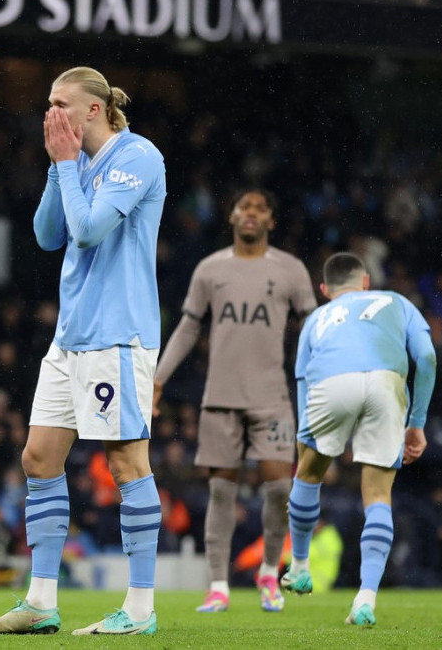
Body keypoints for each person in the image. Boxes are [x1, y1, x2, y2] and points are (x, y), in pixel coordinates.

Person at [0, 67, 166, 636]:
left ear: (94, 110)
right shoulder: (75, 161)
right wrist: (61, 166)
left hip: (117, 335)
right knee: (38, 458)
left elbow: (87, 231)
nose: (50, 113)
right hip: (71, 336)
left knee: (126, 463)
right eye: (48, 103)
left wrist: (63, 165)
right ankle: (40, 602)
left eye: (61, 103)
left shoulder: (137, 156)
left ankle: (140, 608)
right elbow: (47, 234)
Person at [153, 188, 317, 613]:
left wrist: (323, 378)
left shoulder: (291, 270)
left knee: (279, 489)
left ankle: (268, 573)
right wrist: (158, 378)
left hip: (272, 398)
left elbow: (314, 327)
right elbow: (189, 327)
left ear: (271, 221)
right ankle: (218, 586)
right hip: (221, 398)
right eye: (244, 207)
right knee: (221, 492)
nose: (251, 214)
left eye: (260, 209)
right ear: (231, 216)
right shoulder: (210, 269)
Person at [280, 252, 436, 626]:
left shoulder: (316, 318)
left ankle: (299, 566)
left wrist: (305, 440)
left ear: (324, 289)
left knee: (308, 475)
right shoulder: (397, 302)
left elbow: (302, 380)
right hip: (387, 382)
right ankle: (365, 599)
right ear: (366, 282)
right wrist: (417, 422)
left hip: (330, 382)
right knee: (378, 495)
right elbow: (428, 358)